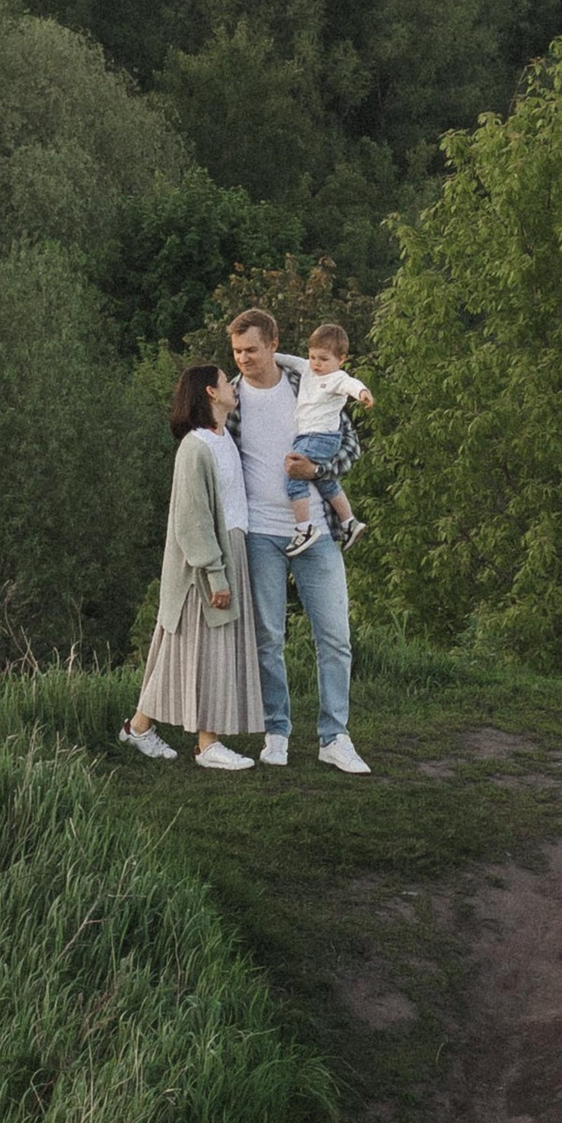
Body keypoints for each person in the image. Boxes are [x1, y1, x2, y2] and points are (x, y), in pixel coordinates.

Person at [229, 306, 369, 776]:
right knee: (269, 637)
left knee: (335, 637)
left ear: (273, 345)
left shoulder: (306, 383)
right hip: (260, 535)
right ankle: (277, 732)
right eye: (237, 351)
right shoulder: (230, 400)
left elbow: (349, 444)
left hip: (317, 534)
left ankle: (335, 737)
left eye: (252, 349)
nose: (244, 358)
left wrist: (317, 472)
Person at [123, 361, 259, 770]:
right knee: (206, 646)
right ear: (210, 393)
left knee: (185, 649)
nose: (233, 385)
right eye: (224, 381)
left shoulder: (222, 439)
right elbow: (192, 519)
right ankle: (207, 744)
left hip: (231, 547)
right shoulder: (195, 447)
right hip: (205, 562)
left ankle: (138, 728)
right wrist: (215, 573)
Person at [284, 321, 372, 555]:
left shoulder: (337, 378)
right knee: (326, 481)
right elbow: (289, 360)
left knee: (294, 474)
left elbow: (351, 384)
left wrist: (362, 393)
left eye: (323, 359)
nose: (316, 364)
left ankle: (304, 528)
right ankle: (349, 521)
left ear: (341, 359)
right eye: (313, 357)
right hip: (313, 436)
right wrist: (268, 355)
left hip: (319, 436)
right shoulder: (307, 369)